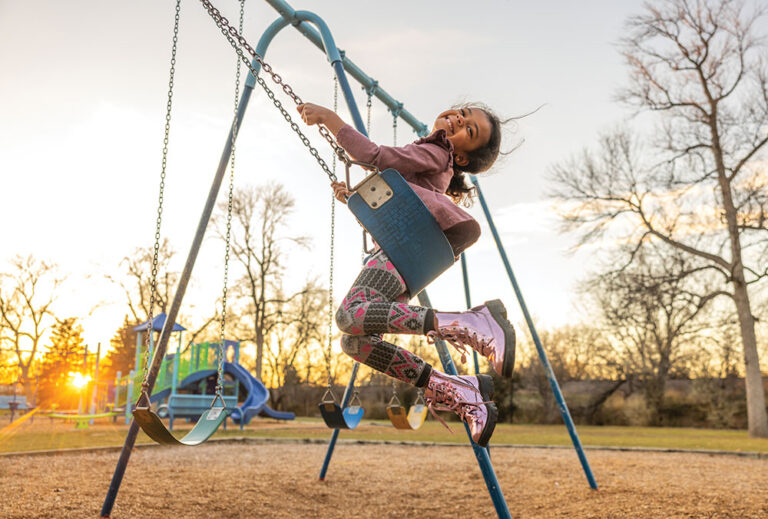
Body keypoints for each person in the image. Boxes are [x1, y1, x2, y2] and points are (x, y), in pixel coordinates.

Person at [297, 102, 515, 447]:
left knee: (348, 315)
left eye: (468, 130)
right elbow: (392, 213)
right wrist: (353, 199)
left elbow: (373, 155)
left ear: (460, 157)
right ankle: (458, 389)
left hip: (403, 252)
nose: (459, 119)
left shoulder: (436, 151)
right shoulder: (431, 166)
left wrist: (329, 118)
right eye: (464, 113)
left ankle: (471, 324)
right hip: (400, 253)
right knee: (355, 340)